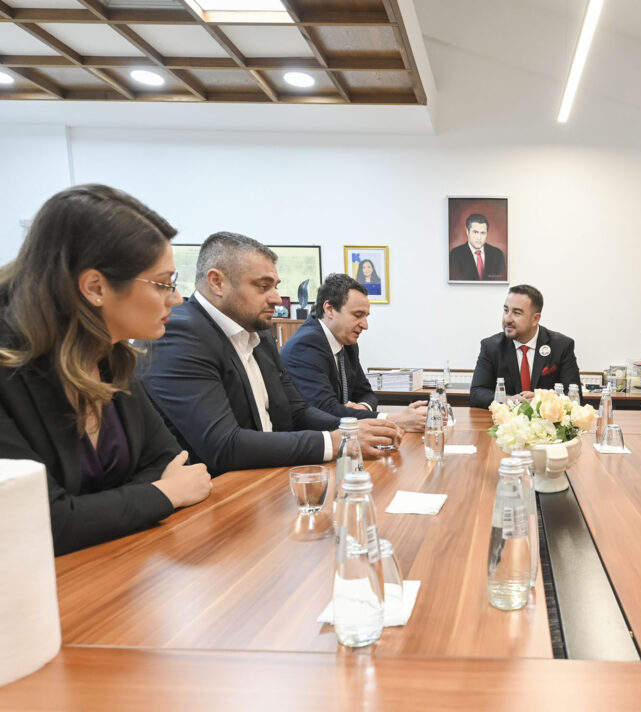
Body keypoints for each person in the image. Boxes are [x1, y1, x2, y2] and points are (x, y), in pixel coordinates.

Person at [0, 185, 212, 555]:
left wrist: (93, 510)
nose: (177, 299)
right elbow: (43, 522)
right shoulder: (10, 370)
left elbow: (169, 460)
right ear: (95, 286)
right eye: (163, 284)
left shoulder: (110, 353)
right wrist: (162, 493)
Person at [140, 232, 401, 476]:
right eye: (263, 286)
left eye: (275, 286)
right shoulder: (180, 334)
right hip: (219, 490)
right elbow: (224, 445)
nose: (277, 298)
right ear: (217, 282)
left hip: (269, 475)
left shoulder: (259, 331)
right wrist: (336, 441)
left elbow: (297, 412)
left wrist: (351, 429)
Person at [281, 273, 427, 431]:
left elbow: (366, 393)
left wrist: (363, 407)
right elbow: (327, 410)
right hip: (311, 439)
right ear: (329, 309)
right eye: (358, 315)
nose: (365, 325)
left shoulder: (347, 342)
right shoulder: (306, 345)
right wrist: (395, 420)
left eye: (366, 316)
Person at [469, 284, 580, 408]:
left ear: (535, 319)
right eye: (506, 310)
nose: (507, 319)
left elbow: (574, 395)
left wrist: (542, 399)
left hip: (547, 419)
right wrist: (508, 400)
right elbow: (477, 393)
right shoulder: (491, 347)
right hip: (505, 418)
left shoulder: (561, 346)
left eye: (516, 313)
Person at [449, 213, 506, 281]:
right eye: (475, 232)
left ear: (487, 233)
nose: (479, 237)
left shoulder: (497, 254)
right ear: (467, 232)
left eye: (483, 233)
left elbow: (501, 281)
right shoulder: (455, 254)